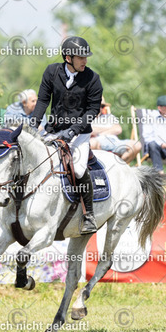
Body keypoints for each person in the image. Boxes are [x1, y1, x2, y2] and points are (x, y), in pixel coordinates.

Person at [30, 36, 102, 234]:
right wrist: (34, 124)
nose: (85, 61)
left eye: (86, 57)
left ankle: (89, 216)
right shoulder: (51, 72)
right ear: (68, 58)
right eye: (81, 57)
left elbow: (93, 110)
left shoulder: (92, 78)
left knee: (78, 170)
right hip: (53, 131)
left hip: (79, 134)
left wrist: (74, 130)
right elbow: (43, 100)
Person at [90, 97, 141, 164]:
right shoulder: (88, 118)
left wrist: (99, 131)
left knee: (137, 145)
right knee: (91, 143)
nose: (101, 108)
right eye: (99, 106)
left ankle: (120, 165)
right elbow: (91, 130)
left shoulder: (110, 116)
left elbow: (118, 129)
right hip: (99, 142)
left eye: (102, 106)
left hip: (115, 142)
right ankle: (101, 165)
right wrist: (110, 129)